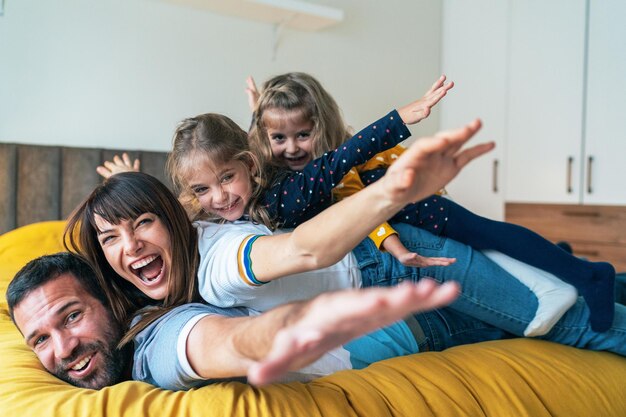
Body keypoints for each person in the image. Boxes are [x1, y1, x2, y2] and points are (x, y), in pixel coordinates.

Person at [245, 72, 615, 332]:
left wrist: (396, 247)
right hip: (417, 208)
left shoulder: (339, 163)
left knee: (494, 237)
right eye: (279, 138)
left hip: (425, 211)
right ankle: (564, 258)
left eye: (302, 135)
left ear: (321, 127)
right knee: (493, 247)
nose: (291, 147)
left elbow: (359, 207)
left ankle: (590, 275)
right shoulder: (297, 171)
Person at [6, 252, 465, 390]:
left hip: (424, 322)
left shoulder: (149, 340)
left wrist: (280, 333)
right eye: (40, 339)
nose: (63, 348)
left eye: (72, 316)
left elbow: (214, 342)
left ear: (108, 301)